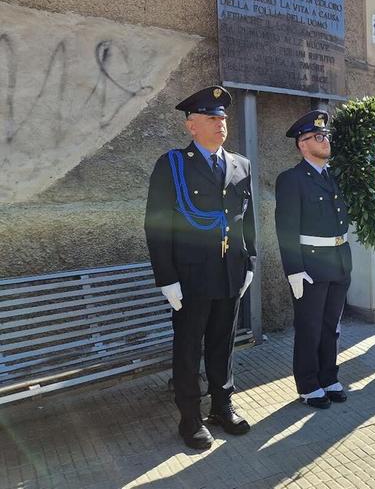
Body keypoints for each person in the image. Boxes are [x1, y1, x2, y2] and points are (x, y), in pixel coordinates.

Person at [144, 86, 255, 450]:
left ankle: (222, 407)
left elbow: (246, 218)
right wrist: (167, 279)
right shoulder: (173, 164)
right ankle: (190, 418)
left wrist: (250, 260)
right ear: (192, 126)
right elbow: (156, 224)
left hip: (230, 271)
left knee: (223, 343)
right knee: (189, 346)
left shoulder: (240, 164)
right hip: (191, 275)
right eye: (212, 117)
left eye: (223, 117)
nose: (221, 123)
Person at [274, 110, 352, 409]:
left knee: (331, 325)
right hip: (311, 264)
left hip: (339, 260)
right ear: (302, 144)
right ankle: (308, 384)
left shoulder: (334, 177)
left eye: (326, 135)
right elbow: (286, 228)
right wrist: (294, 270)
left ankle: (329, 377)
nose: (325, 140)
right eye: (318, 136)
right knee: (309, 327)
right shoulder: (292, 179)